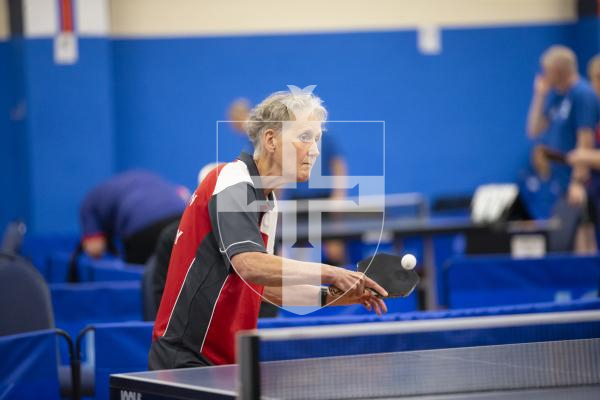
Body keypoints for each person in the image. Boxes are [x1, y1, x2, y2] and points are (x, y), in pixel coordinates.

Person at [149, 88, 387, 369]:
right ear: (271, 139)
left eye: (317, 139)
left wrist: (339, 296)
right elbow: (248, 264)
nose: (315, 150)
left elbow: (263, 288)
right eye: (304, 137)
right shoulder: (232, 179)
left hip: (225, 364)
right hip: (186, 361)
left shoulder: (267, 202)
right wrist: (332, 272)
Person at [526, 45, 598, 207]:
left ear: (558, 70)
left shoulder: (582, 94)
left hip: (580, 183)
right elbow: (534, 130)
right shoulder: (558, 96)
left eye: (546, 70)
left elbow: (585, 140)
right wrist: (540, 95)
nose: (543, 75)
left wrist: (577, 182)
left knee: (581, 230)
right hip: (560, 180)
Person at [79, 170, 188, 264]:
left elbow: (95, 248)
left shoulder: (89, 202)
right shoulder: (147, 177)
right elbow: (184, 194)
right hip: (181, 219)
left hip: (141, 229)